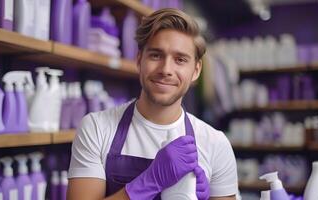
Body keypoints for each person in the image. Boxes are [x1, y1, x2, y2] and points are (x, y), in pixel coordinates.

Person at [67, 8, 238, 200]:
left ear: (196, 70)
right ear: (139, 60)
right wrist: (150, 181)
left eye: (180, 59)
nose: (166, 69)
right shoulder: (96, 128)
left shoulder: (215, 144)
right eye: (156, 55)